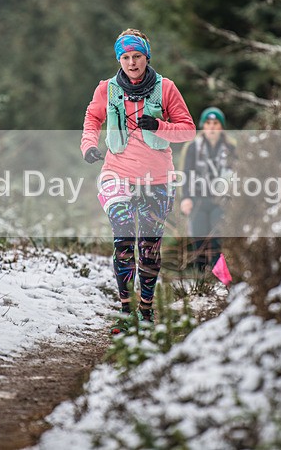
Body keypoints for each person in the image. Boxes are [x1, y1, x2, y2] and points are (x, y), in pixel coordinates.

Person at [81, 28, 195, 334]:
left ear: (147, 57)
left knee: (148, 247)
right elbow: (92, 118)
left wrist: (158, 125)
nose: (132, 63)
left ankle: (145, 311)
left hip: (157, 178)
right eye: (126, 57)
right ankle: (126, 311)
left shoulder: (166, 88)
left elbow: (188, 129)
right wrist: (89, 145)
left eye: (137, 56)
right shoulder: (107, 89)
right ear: (119, 59)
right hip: (116, 173)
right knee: (123, 238)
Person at [179, 106, 235, 272]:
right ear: (203, 126)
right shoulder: (193, 147)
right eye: (208, 123)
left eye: (215, 123)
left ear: (221, 127)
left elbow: (237, 174)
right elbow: (186, 174)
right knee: (199, 241)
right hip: (198, 200)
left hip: (221, 201)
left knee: (219, 240)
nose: (211, 127)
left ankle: (220, 277)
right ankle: (201, 278)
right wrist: (186, 198)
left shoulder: (230, 148)